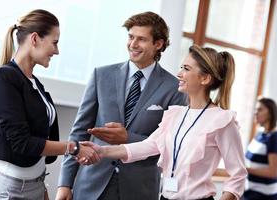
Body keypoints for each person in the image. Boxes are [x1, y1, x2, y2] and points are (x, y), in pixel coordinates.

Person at [81, 44, 248, 200]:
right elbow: (148, 146)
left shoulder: (222, 121)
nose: (179, 74)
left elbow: (238, 174)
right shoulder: (175, 114)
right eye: (182, 67)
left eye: (186, 69)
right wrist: (101, 151)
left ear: (204, 79)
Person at [56, 11, 187, 200]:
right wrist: (65, 184)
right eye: (131, 37)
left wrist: (128, 138)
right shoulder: (101, 75)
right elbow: (79, 132)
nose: (133, 44)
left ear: (158, 44)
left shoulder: (174, 88)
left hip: (139, 190)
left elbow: (169, 148)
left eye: (141, 39)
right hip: (91, 186)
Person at [0, 9, 98, 200]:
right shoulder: (4, 77)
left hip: (35, 185)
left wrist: (41, 187)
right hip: (8, 191)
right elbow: (22, 143)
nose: (57, 51)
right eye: (55, 42)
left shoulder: (34, 83)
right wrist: (72, 147)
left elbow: (38, 140)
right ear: (35, 39)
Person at [242, 97, 277, 200]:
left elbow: (273, 172)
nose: (255, 113)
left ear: (270, 113)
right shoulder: (260, 134)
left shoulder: (274, 138)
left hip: (264, 196)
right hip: (250, 191)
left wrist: (245, 169)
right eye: (255, 109)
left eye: (259, 109)